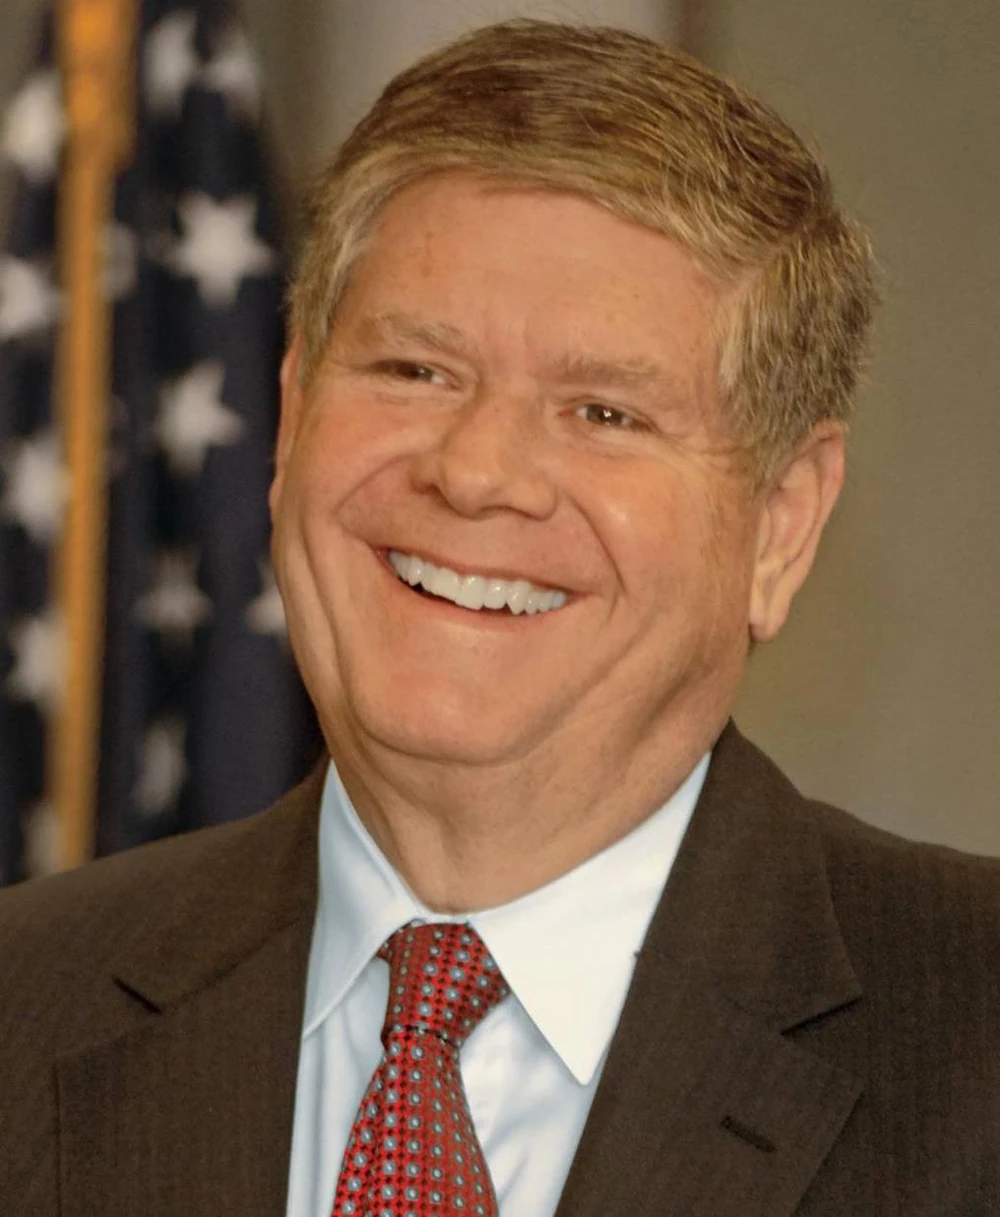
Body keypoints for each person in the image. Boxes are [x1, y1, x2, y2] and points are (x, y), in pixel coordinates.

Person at [1, 19, 998, 1217]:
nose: (475, 472)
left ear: (780, 525)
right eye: (415, 370)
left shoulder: (972, 1030)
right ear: (290, 414)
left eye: (603, 412)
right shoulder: (22, 1004)